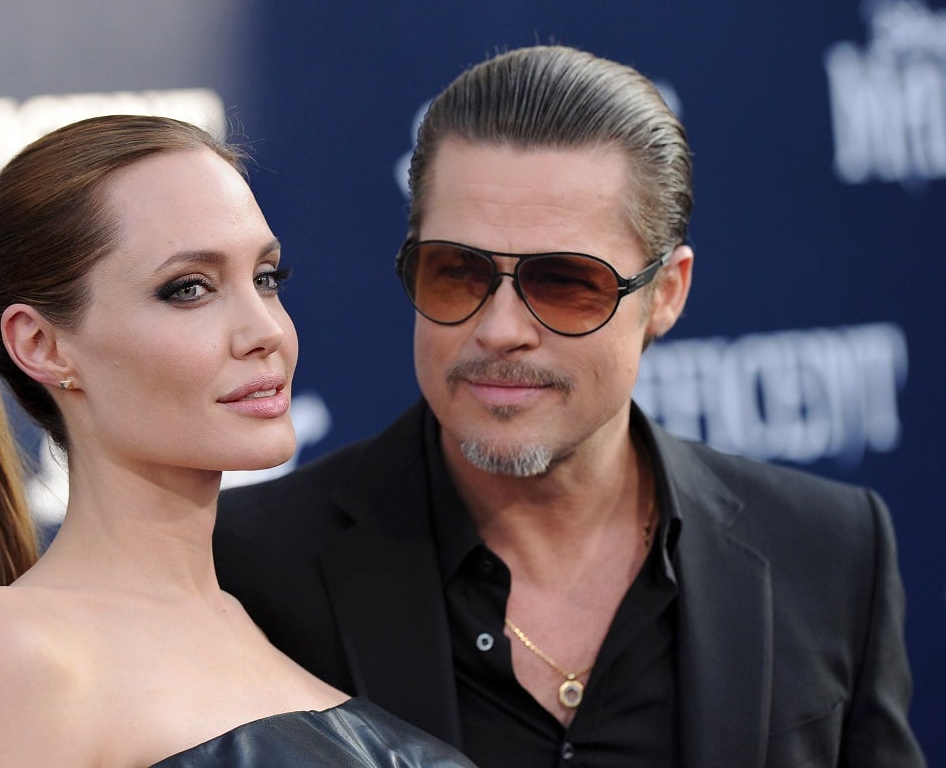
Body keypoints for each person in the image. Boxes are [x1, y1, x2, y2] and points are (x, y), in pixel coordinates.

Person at [214, 46, 925, 767]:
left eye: (564, 283)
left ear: (666, 294)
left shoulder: (829, 552)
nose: (499, 330)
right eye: (456, 272)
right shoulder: (250, 573)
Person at [0, 114, 477, 767]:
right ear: (42, 344)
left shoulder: (257, 617)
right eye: (189, 289)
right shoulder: (20, 651)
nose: (265, 330)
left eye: (266, 278)